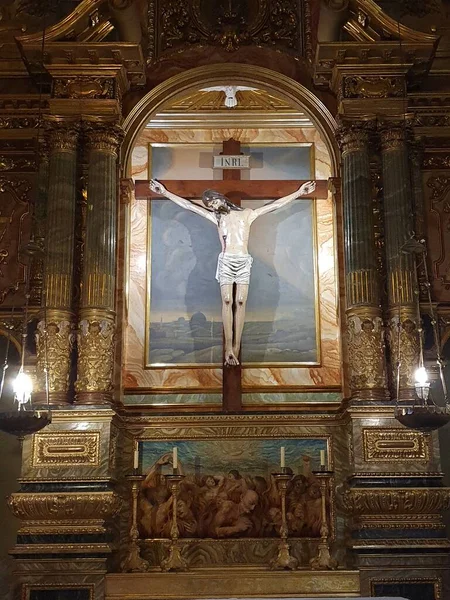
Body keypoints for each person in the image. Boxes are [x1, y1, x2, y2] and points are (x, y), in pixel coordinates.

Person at [149, 179, 316, 366]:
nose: (212, 206)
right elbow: (189, 206)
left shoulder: (247, 215)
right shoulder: (217, 218)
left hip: (243, 260)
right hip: (226, 261)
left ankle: (236, 348)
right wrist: (164, 192)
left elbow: (275, 205)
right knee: (227, 300)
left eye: (213, 202)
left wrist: (300, 192)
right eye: (209, 205)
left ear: (220, 198)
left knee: (241, 301)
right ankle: (228, 347)